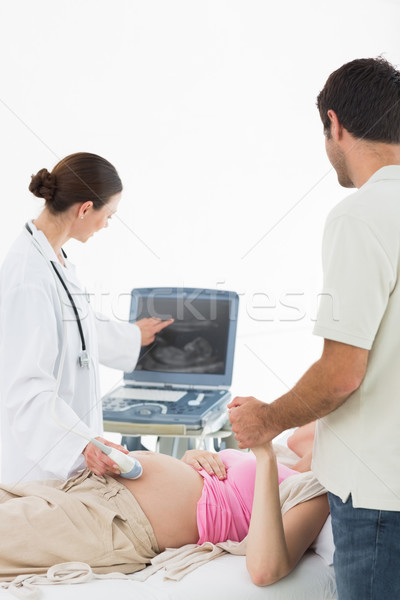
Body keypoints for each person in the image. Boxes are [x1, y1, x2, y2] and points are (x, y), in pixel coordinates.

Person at [228, 57, 400, 599]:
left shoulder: (363, 214)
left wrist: (267, 421)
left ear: (336, 125)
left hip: (381, 501)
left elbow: (341, 375)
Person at [0, 152, 173, 483]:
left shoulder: (52, 257)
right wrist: (79, 446)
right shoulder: (28, 277)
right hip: (40, 468)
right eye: (109, 215)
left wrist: (133, 336)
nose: (106, 225)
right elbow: (27, 389)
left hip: (70, 457)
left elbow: (76, 326)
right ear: (84, 209)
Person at [0, 427, 329, 586]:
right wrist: (191, 462)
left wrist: (264, 455)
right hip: (89, 485)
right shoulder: (288, 455)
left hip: (115, 523)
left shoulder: (318, 490)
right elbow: (304, 435)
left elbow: (265, 570)